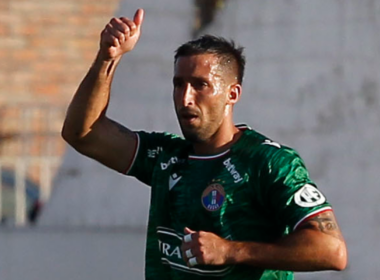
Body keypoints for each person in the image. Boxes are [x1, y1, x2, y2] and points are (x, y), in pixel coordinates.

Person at [62, 8, 347, 280]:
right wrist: (107, 57)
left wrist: (231, 251)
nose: (185, 98)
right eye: (178, 84)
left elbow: (331, 250)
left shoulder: (268, 162)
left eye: (200, 85)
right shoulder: (165, 157)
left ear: (232, 94)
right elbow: (83, 133)